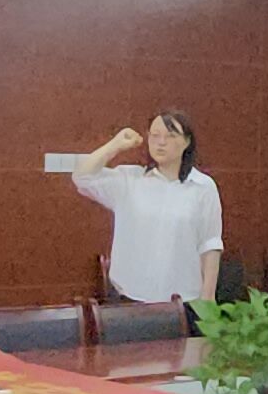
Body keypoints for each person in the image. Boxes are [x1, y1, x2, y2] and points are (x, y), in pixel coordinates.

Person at [69, 112, 221, 307]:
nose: (161, 142)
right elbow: (82, 177)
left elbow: (210, 243)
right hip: (129, 297)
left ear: (187, 142)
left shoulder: (203, 187)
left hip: (184, 300)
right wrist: (115, 144)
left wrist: (208, 298)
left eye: (171, 136)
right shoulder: (129, 180)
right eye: (155, 135)